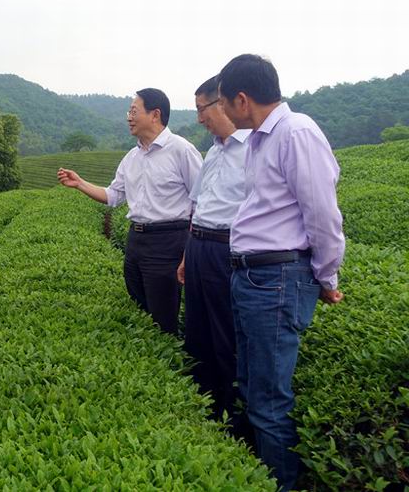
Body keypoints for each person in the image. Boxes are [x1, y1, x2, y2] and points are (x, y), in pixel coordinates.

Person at [218, 54, 345, 491]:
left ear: (242, 99)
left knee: (269, 400)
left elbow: (322, 214)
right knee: (252, 385)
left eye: (222, 102)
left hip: (277, 279)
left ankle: (282, 483)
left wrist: (327, 276)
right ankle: (257, 476)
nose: (220, 110)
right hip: (253, 277)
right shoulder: (260, 140)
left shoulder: (296, 132)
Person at [58, 88, 202, 335]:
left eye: (134, 111)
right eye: (129, 112)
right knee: (139, 305)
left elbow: (201, 200)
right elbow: (113, 196)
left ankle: (169, 354)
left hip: (168, 240)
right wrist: (80, 183)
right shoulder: (131, 157)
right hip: (136, 239)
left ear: (155, 114)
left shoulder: (181, 150)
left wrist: (190, 250)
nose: (129, 117)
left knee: (162, 315)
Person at [175, 75, 250, 431]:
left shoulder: (253, 148)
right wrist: (187, 255)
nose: (199, 118)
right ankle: (202, 407)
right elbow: (199, 206)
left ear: (222, 103)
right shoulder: (215, 151)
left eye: (201, 109)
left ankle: (231, 417)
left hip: (227, 248)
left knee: (225, 336)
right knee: (197, 331)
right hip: (199, 246)